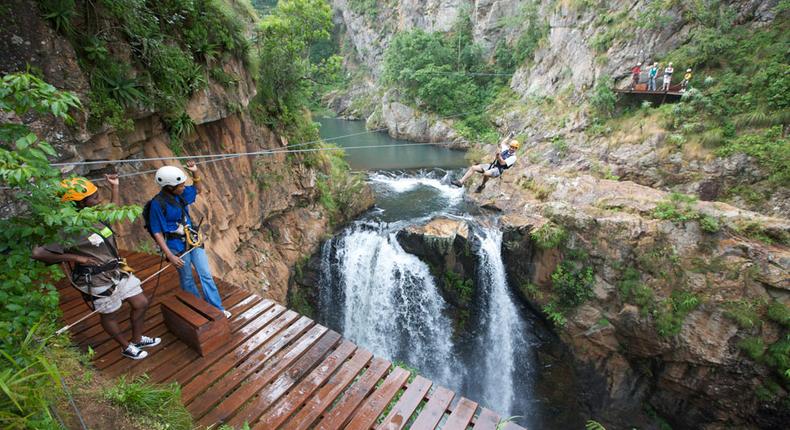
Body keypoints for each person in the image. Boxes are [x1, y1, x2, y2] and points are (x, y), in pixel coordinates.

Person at [32, 176, 160, 360]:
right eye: (94, 198)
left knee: (141, 303)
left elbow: (113, 213)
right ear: (78, 203)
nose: (99, 200)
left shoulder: (93, 215)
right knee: (110, 314)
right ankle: (126, 347)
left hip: (116, 270)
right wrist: (77, 257)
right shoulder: (67, 227)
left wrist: (114, 187)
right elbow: (38, 253)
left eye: (97, 195)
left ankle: (138, 339)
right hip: (96, 278)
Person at [148, 161, 231, 318]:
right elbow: (157, 231)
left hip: (192, 239)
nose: (184, 187)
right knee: (186, 278)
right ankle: (199, 309)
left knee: (205, 273)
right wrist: (170, 255)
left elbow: (198, 189)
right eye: (180, 185)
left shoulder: (180, 193)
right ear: (169, 188)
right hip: (175, 244)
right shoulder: (157, 205)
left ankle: (217, 308)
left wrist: (195, 172)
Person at [451, 136, 520, 193]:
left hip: (498, 170)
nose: (512, 149)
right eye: (511, 147)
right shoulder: (506, 149)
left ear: (516, 149)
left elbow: (502, 163)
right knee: (473, 167)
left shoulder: (513, 157)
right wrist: (510, 136)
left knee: (486, 173)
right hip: (492, 165)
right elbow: (503, 142)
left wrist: (498, 156)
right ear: (510, 146)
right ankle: (460, 182)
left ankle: (482, 185)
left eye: (514, 148)